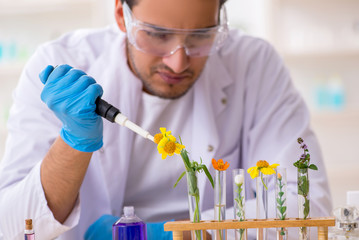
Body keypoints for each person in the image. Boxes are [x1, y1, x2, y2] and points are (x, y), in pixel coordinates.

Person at [0, 0, 332, 239]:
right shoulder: (61, 64)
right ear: (121, 15)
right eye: (157, 35)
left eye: (201, 36)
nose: (177, 62)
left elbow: (307, 209)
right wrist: (73, 143)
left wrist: (174, 235)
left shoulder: (253, 64)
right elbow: (12, 227)